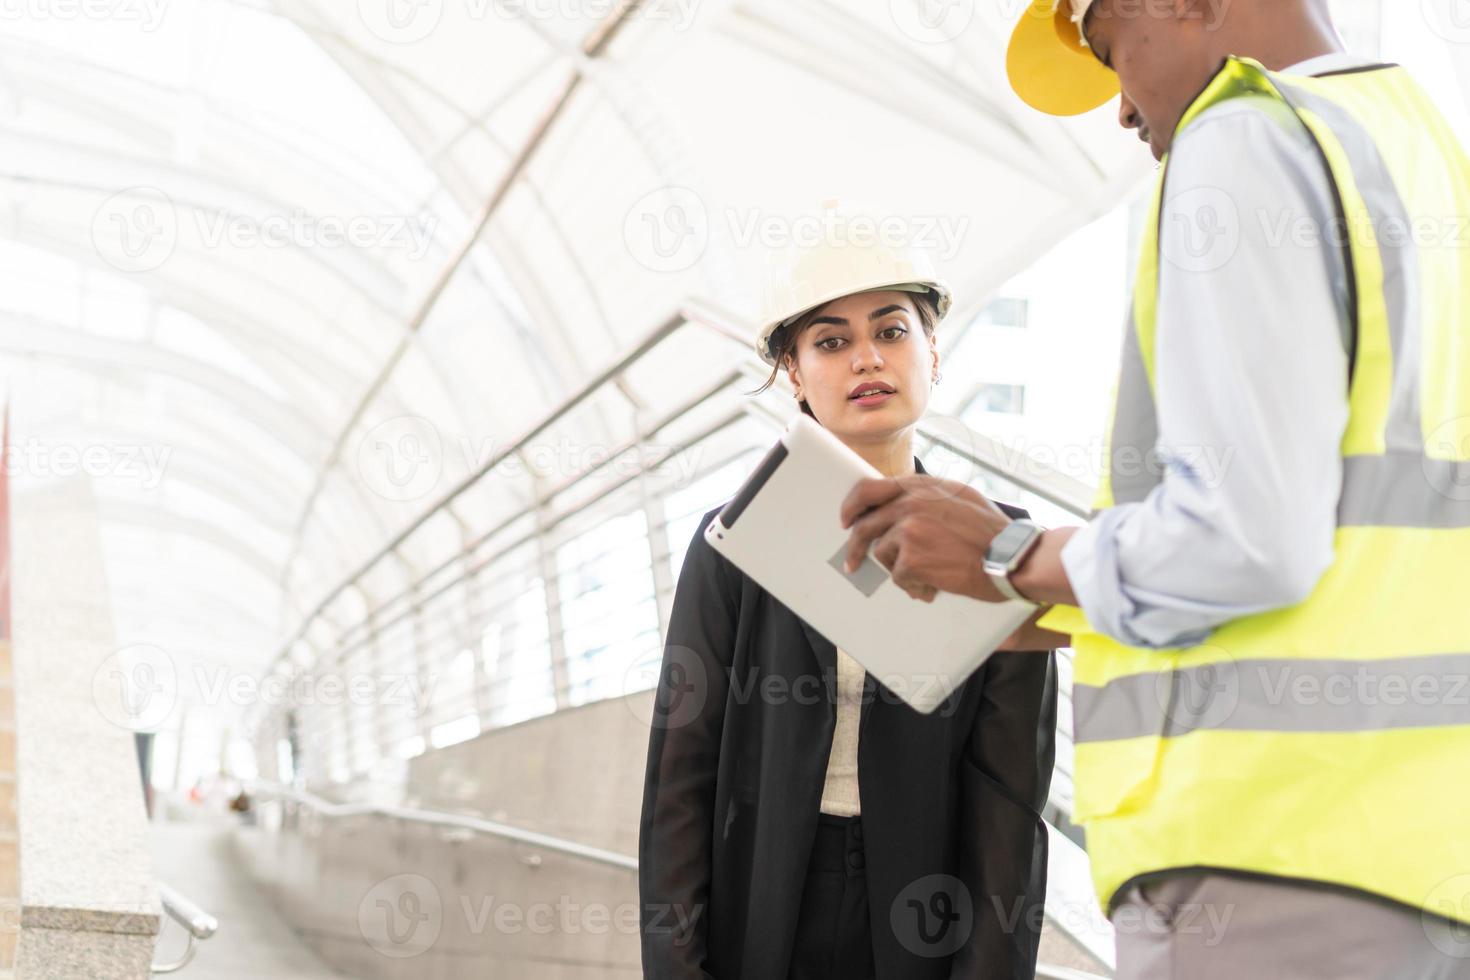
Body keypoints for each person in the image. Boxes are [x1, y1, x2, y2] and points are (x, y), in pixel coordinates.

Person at [838, 1, 1470, 977]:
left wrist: (1010, 553)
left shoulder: (1245, 135)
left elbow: (1249, 538)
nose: (1123, 113)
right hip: (1415, 852)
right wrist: (1047, 597)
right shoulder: (1420, 152)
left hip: (1268, 841)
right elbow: (1354, 549)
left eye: (1109, 50)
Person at [638, 233, 1061, 979]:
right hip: (765, 902)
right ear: (794, 375)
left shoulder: (995, 541)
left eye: (892, 331)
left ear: (934, 353)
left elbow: (1010, 796)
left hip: (927, 911)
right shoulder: (735, 542)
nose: (867, 358)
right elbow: (681, 781)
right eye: (831, 342)